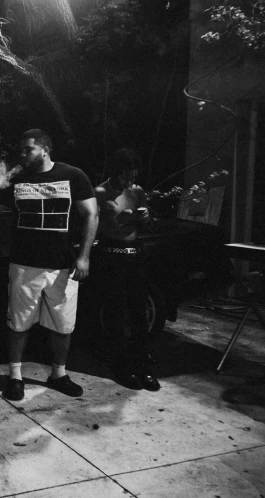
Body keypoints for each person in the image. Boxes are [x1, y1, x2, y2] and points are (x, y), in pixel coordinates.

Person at [0, 129, 98, 401]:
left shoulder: (73, 175)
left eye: (28, 149)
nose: (22, 154)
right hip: (24, 266)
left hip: (62, 267)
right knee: (18, 325)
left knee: (63, 326)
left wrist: (84, 256)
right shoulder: (17, 180)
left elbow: (92, 213)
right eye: (21, 149)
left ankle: (58, 374)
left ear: (45, 149)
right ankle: (15, 376)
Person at [94, 148, 160, 391]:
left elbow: (147, 223)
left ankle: (143, 364)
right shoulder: (100, 191)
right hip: (111, 253)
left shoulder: (137, 191)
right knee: (116, 310)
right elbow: (93, 224)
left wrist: (145, 216)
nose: (128, 181)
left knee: (138, 311)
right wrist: (113, 219)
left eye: (131, 176)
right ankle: (121, 365)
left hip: (134, 252)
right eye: (124, 177)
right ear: (114, 173)